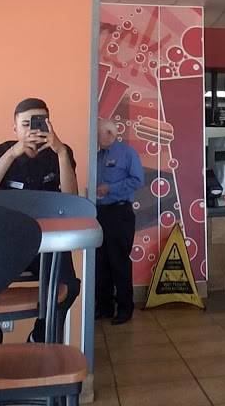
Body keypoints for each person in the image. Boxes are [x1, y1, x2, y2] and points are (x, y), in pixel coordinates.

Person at [0, 97, 80, 343]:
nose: (33, 130)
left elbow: (71, 200)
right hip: (3, 242)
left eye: (39, 123)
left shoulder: (60, 154)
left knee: (69, 287)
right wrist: (12, 154)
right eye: (25, 124)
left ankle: (39, 338)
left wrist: (61, 152)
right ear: (15, 128)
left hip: (46, 243)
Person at [96, 120, 144, 325]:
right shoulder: (97, 156)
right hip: (99, 213)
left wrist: (110, 188)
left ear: (109, 133)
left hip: (119, 213)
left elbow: (138, 180)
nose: (95, 137)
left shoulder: (127, 153)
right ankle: (105, 307)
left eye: (98, 133)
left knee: (119, 261)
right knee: (101, 262)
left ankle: (125, 308)